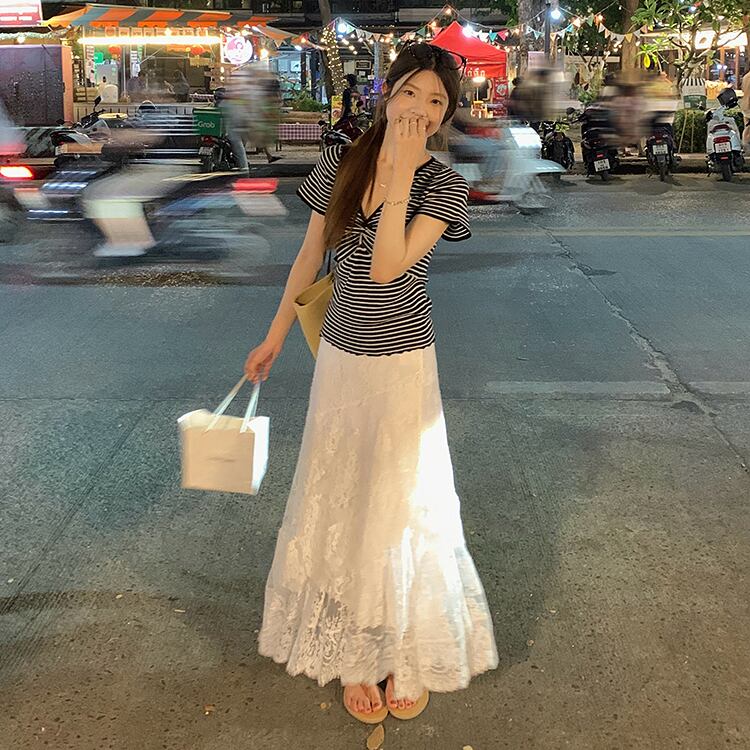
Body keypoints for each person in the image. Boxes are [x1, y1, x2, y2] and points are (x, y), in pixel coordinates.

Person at [244, 42, 498, 723]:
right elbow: (309, 254)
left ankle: (405, 650)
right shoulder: (340, 163)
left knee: (402, 504)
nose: (422, 109)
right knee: (344, 498)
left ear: (446, 116)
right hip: (340, 358)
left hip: (404, 363)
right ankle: (357, 652)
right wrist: (273, 337)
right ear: (388, 95)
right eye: (411, 92)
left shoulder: (442, 185)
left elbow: (388, 268)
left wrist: (404, 171)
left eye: (437, 101)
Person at [741, 67, 750, 150]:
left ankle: (745, 146)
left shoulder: (746, 76)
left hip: (745, 105)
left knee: (747, 127)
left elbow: (743, 89)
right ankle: (746, 146)